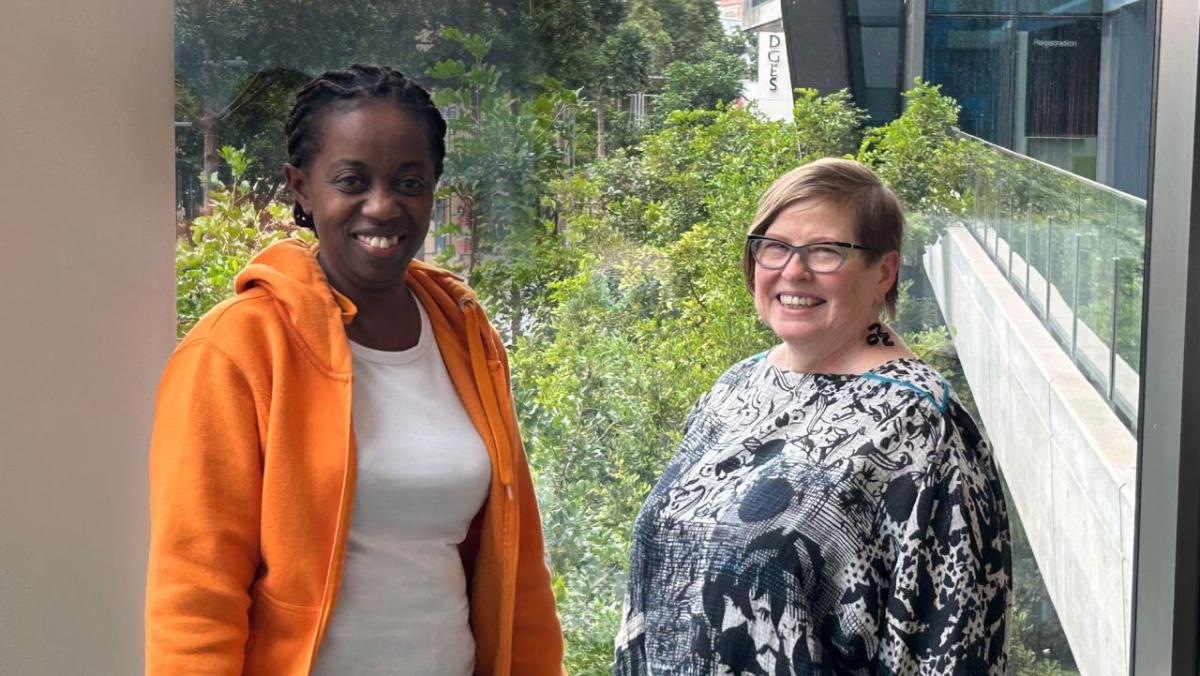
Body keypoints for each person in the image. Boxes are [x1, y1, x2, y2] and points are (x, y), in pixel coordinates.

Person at [145, 64, 564, 676]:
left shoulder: (463, 333)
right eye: (351, 180)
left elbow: (517, 561)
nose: (382, 206)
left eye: (409, 182)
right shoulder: (236, 349)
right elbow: (195, 592)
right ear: (301, 188)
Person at [613, 158, 1011, 674]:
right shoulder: (735, 388)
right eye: (774, 247)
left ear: (883, 272)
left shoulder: (921, 427)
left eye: (826, 251)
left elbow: (955, 643)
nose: (793, 271)